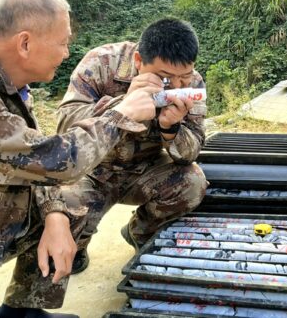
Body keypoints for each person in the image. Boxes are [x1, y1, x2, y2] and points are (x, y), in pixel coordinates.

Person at [0, 0, 156, 317]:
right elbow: (57, 161)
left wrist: (56, 215)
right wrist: (122, 114)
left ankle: (24, 310)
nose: (66, 52)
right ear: (25, 43)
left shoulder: (0, 84)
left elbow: (33, 168)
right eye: (63, 42)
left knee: (71, 203)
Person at [56, 18, 207, 273]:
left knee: (193, 182)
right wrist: (122, 105)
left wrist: (171, 130)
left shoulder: (192, 83)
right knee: (61, 204)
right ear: (139, 61)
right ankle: (78, 245)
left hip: (146, 169)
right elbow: (65, 127)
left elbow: (190, 152)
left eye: (184, 77)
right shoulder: (101, 62)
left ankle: (140, 231)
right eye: (165, 78)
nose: (177, 86)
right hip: (93, 170)